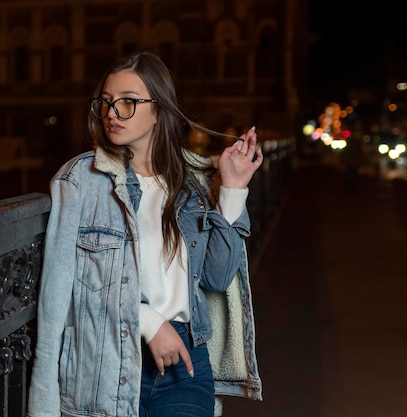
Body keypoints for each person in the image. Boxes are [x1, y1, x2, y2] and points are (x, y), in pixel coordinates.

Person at [27, 51, 263, 417]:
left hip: (185, 362)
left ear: (158, 110)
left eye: (128, 102)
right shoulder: (80, 181)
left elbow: (217, 277)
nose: (112, 114)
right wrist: (148, 322)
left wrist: (232, 189)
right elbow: (58, 300)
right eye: (105, 103)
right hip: (105, 366)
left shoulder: (194, 185)